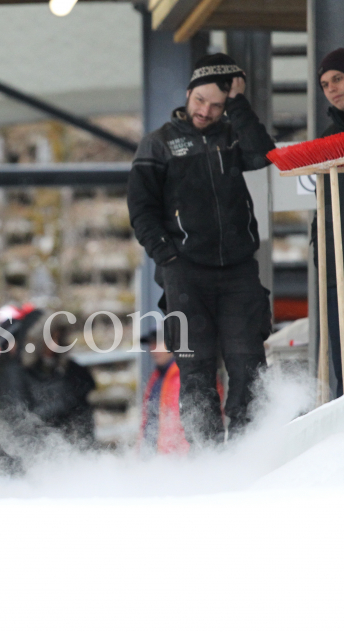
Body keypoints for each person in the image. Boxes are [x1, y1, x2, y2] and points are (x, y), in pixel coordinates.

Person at [128, 53, 275, 446]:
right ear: (188, 93)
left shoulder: (231, 135)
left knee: (250, 367)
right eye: (200, 101)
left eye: (216, 104)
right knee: (195, 372)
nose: (206, 111)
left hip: (239, 270)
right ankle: (207, 459)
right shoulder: (157, 144)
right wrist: (168, 258)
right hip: (185, 273)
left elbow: (264, 154)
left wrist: (240, 104)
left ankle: (249, 453)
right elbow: (140, 211)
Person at [0, 309, 96, 468]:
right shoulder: (8, 375)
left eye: (57, 337)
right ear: (35, 341)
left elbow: (82, 427)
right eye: (49, 338)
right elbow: (19, 427)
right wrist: (63, 401)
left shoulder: (63, 373)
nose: (55, 344)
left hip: (63, 466)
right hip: (17, 471)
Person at [313, 48, 344, 398]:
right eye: (325, 84)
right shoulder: (325, 141)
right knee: (341, 357)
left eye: (337, 78)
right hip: (338, 264)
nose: (332, 89)